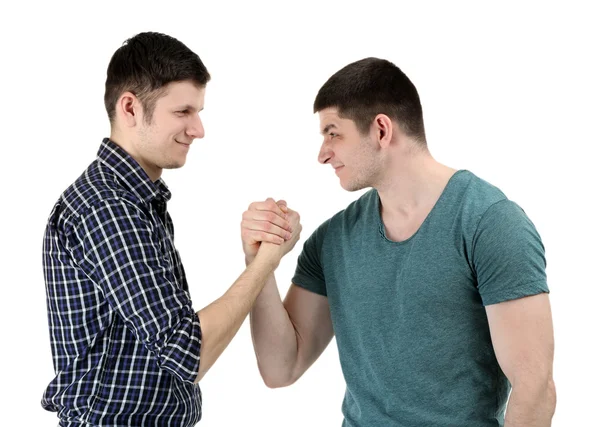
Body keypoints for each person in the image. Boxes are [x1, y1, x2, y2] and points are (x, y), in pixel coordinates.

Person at [243, 57, 556, 426]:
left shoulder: (490, 223)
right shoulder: (332, 241)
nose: (323, 153)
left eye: (333, 133)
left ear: (380, 130)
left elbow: (534, 388)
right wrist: (261, 262)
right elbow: (281, 369)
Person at [41, 31, 301, 427]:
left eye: (198, 112)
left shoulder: (136, 200)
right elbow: (187, 353)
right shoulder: (109, 208)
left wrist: (257, 257)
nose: (198, 129)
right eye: (183, 112)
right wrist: (266, 260)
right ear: (130, 108)